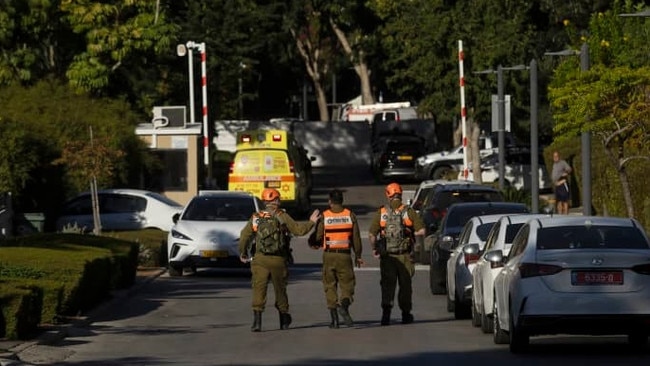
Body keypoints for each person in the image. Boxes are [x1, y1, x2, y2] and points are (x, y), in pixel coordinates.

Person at [239, 188, 320, 332]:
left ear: (265, 201)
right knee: (280, 290)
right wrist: (311, 222)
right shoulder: (282, 216)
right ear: (276, 200)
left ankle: (257, 323)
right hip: (278, 260)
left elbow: (244, 236)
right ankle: (283, 321)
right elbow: (299, 230)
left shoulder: (256, 217)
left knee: (259, 289)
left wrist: (243, 253)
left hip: (260, 259)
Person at [368, 182, 425, 326]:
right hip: (405, 255)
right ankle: (406, 314)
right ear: (400, 194)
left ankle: (386, 315)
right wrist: (416, 247)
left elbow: (372, 234)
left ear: (388, 195)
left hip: (387, 257)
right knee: (405, 285)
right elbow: (421, 231)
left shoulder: (381, 213)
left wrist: (375, 248)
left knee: (388, 285)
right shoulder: (408, 211)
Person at [308, 189, 364, 329]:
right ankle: (344, 306)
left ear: (330, 201)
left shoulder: (325, 216)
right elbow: (356, 238)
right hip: (345, 255)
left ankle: (334, 321)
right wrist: (358, 255)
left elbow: (319, 236)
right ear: (342, 201)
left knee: (329, 285)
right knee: (348, 284)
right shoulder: (350, 215)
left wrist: (313, 242)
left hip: (329, 255)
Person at [551, 151, 572, 215]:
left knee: (565, 201)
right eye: (554, 156)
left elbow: (569, 169)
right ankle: (560, 216)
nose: (555, 157)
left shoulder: (562, 163)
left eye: (556, 156)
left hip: (563, 184)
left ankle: (566, 216)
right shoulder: (554, 164)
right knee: (558, 202)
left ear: (559, 156)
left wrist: (565, 173)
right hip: (557, 185)